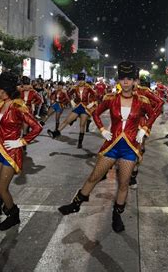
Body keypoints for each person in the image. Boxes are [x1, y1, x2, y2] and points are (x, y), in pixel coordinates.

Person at [57, 61, 158, 232]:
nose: (125, 82)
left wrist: (145, 128)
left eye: (129, 79)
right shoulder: (110, 99)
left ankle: (117, 215)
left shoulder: (142, 100)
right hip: (112, 144)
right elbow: (96, 113)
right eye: (122, 78)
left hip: (130, 148)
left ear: (134, 81)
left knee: (124, 184)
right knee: (94, 176)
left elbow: (154, 113)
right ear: (119, 81)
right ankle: (76, 204)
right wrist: (102, 129)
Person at [0, 72, 42, 231]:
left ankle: (14, 215)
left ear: (3, 90)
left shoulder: (18, 106)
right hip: (0, 149)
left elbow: (37, 127)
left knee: (1, 188)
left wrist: (22, 141)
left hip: (12, 152)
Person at [48, 73, 97, 149]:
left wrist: (92, 102)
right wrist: (72, 101)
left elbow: (95, 95)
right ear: (78, 80)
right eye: (79, 80)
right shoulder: (75, 88)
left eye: (82, 80)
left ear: (84, 80)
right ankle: (55, 133)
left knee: (82, 125)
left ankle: (80, 142)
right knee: (67, 120)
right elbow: (69, 94)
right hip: (77, 106)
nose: (81, 81)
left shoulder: (88, 87)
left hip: (85, 107)